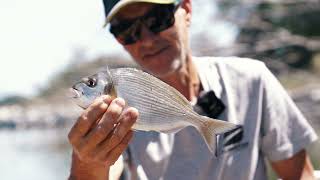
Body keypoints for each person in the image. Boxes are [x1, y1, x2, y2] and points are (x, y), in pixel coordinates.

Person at [67, 0, 319, 179]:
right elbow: (103, 173)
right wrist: (86, 164)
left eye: (157, 19)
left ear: (186, 9)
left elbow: (300, 175)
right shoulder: (115, 116)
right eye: (125, 30)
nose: (146, 39)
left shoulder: (252, 80)